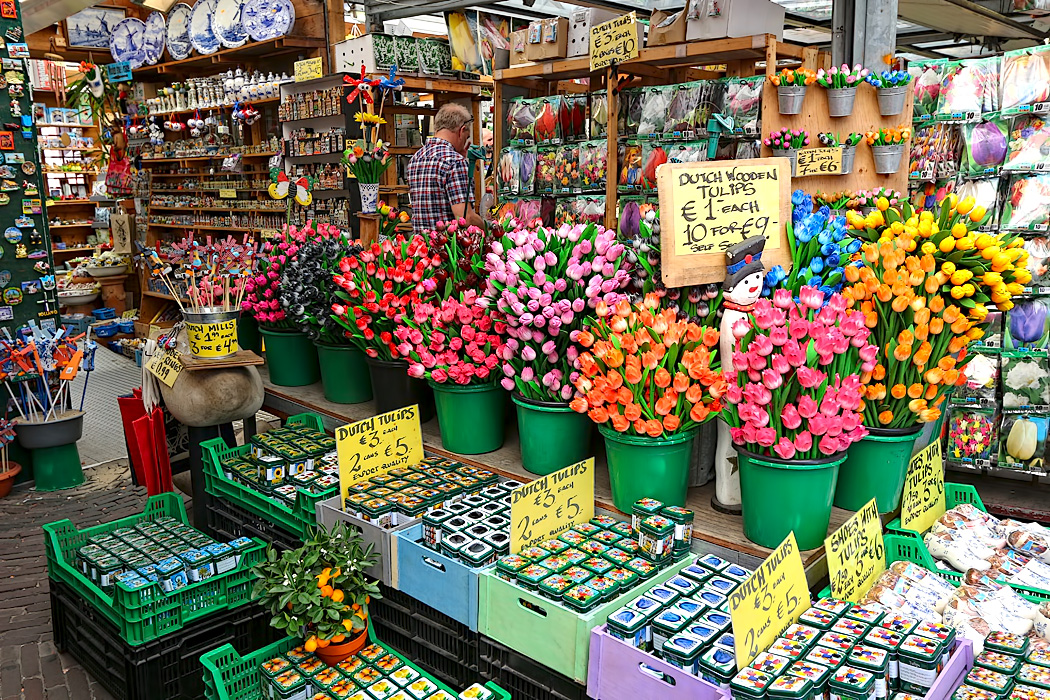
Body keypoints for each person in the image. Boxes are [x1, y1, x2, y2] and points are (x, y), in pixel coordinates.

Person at [406, 103, 485, 233]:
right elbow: (465, 218)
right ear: (462, 130)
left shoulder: (416, 158)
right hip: (448, 249)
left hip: (421, 247)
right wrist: (487, 227)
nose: (465, 142)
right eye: (466, 137)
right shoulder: (455, 162)